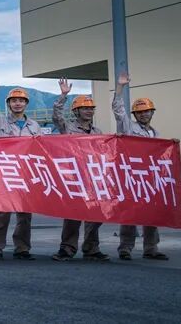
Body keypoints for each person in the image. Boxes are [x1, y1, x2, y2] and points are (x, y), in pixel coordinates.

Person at [0, 77, 41, 261]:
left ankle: (22, 248)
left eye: (21, 100)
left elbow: (40, 150)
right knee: (2, 212)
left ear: (26, 104)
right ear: (8, 104)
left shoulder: (34, 126)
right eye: (14, 100)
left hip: (26, 174)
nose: (17, 103)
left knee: (25, 214)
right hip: (5, 173)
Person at [50, 79, 109, 262]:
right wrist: (63, 95)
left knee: (95, 214)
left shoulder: (97, 131)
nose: (89, 111)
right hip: (74, 177)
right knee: (73, 214)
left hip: (93, 178)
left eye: (91, 108)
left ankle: (91, 249)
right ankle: (67, 249)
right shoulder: (67, 127)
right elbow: (56, 116)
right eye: (84, 108)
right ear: (76, 111)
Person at [112, 72, 169, 261]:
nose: (144, 114)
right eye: (140, 112)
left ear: (152, 113)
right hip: (132, 177)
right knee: (130, 214)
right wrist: (120, 87)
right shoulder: (128, 127)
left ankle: (151, 248)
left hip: (150, 178)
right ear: (135, 115)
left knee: (151, 213)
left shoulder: (155, 133)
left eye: (147, 111)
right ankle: (125, 248)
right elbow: (118, 110)